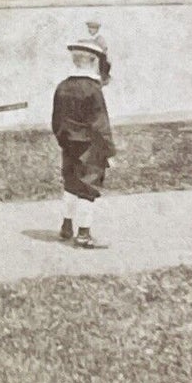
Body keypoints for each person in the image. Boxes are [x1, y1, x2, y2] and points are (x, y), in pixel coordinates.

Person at [51, 38, 116, 249]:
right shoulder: (93, 90)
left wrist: (64, 140)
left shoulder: (62, 86)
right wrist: (108, 151)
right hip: (90, 146)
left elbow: (56, 121)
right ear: (93, 61)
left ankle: (66, 226)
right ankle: (84, 234)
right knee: (88, 188)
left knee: (70, 184)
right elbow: (100, 124)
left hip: (68, 144)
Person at [84, 18, 112, 85]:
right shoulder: (90, 39)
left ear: (97, 29)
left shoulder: (100, 39)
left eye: (92, 28)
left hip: (98, 61)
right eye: (89, 28)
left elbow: (104, 50)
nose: (90, 30)